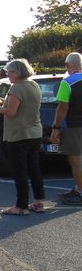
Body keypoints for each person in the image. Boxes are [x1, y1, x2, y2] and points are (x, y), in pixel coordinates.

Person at [0, 59, 45, 214]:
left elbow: (11, 112)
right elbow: (17, 105)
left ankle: (21, 206)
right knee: (34, 168)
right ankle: (39, 202)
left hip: (19, 134)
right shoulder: (34, 85)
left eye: (10, 72)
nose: (9, 75)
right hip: (35, 132)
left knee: (20, 171)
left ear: (18, 72)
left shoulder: (16, 88)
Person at [50, 52, 82, 205]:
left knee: (76, 161)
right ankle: (78, 188)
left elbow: (62, 107)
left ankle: (80, 192)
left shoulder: (67, 82)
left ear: (68, 65)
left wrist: (56, 128)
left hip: (73, 126)